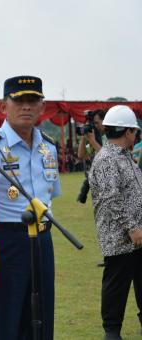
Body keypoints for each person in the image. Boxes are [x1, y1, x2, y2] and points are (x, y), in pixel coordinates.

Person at [0, 76, 60, 340]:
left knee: (43, 314)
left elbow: (52, 194)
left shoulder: (48, 147)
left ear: (41, 107)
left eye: (33, 100)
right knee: (9, 313)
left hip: (43, 237)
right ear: (3, 107)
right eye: (19, 100)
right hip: (9, 241)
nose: (26, 107)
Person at [88, 105, 142, 340]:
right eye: (135, 131)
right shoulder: (108, 159)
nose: (136, 136)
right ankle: (112, 333)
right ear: (128, 132)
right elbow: (112, 198)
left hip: (137, 235)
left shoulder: (124, 156)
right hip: (120, 237)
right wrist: (132, 227)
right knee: (116, 287)